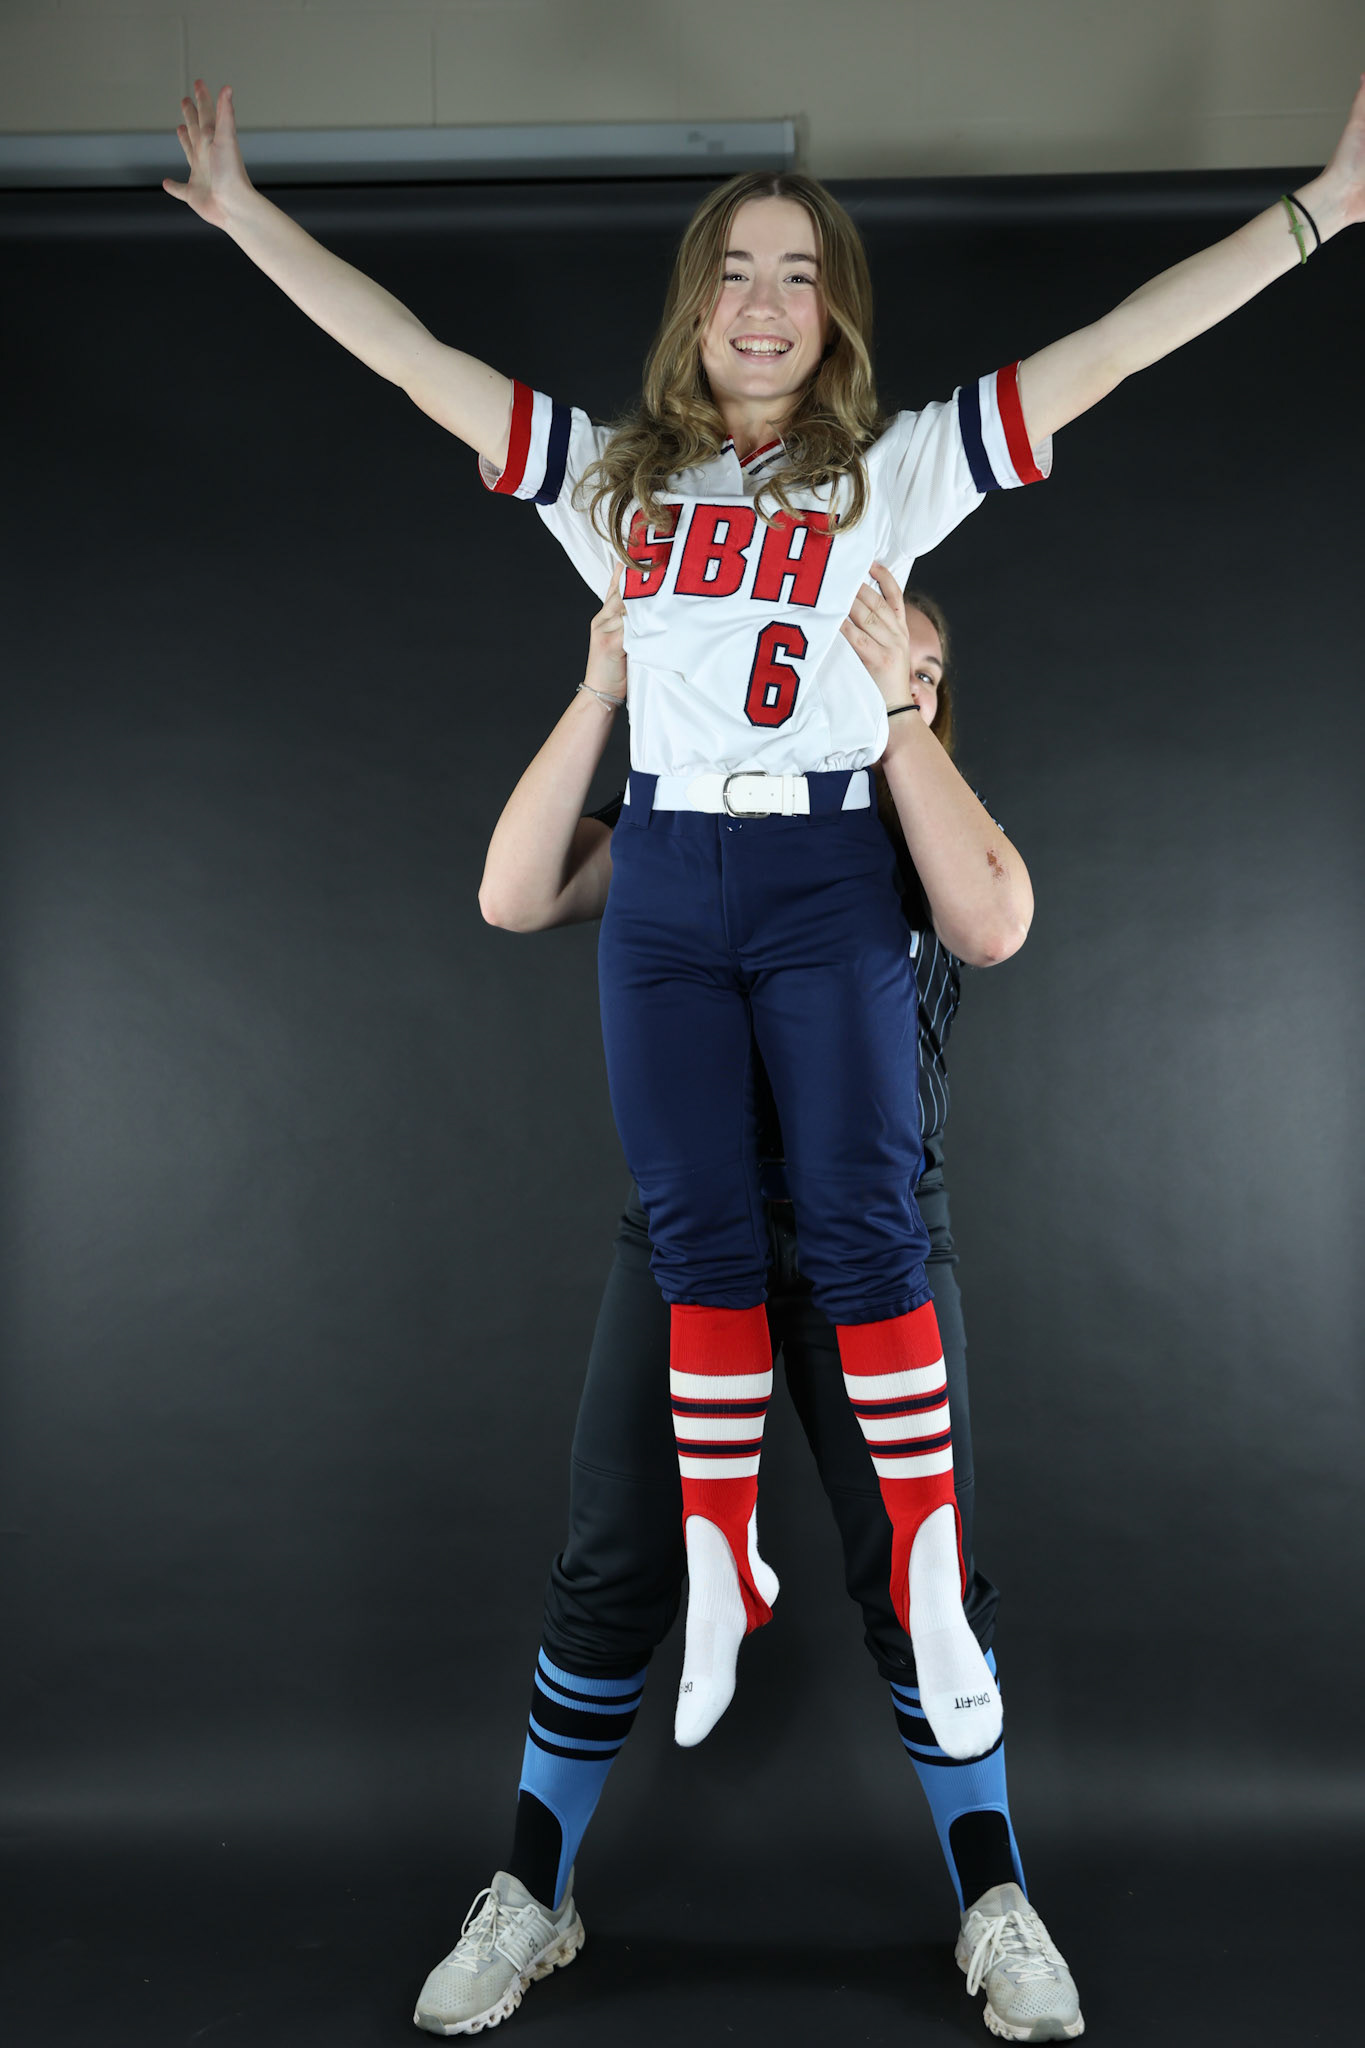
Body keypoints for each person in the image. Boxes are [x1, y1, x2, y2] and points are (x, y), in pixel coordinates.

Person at [165, 67, 1363, 1760]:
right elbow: (412, 365)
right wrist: (250, 221)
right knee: (698, 1234)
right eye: (736, 266)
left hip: (817, 874)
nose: (764, 297)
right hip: (656, 871)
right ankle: (720, 1567)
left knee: (868, 1225)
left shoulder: (893, 476)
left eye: (800, 273)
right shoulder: (615, 491)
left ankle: (928, 1578)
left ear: (832, 319)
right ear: (695, 304)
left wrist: (1323, 207)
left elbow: (1113, 346)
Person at [410, 576, 1077, 2043]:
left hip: (880, 1251)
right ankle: (534, 1889)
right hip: (687, 1248)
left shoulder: (906, 832)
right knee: (611, 1568)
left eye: (911, 647)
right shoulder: (685, 837)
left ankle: (993, 1894)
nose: (867, 645)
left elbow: (995, 916)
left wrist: (892, 704)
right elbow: (514, 891)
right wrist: (601, 689)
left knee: (925, 1577)